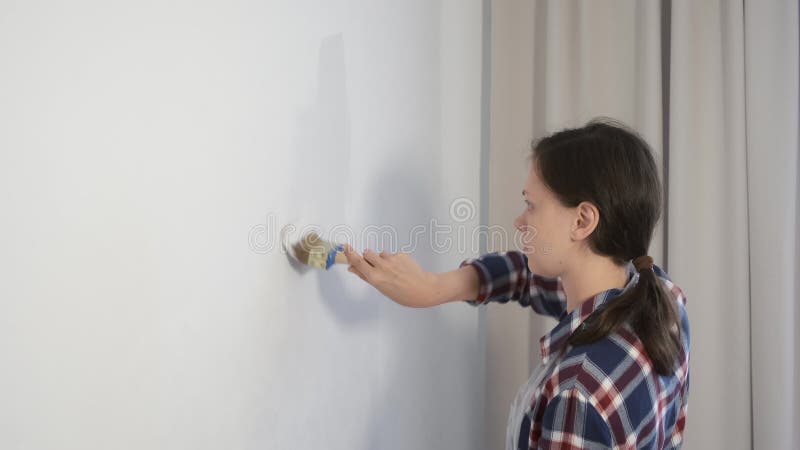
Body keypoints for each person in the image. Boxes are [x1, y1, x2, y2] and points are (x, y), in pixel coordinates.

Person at [343, 118, 690, 449]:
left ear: (582, 220)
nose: (519, 220)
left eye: (531, 205)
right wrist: (432, 288)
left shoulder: (578, 392)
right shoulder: (662, 299)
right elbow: (523, 277)